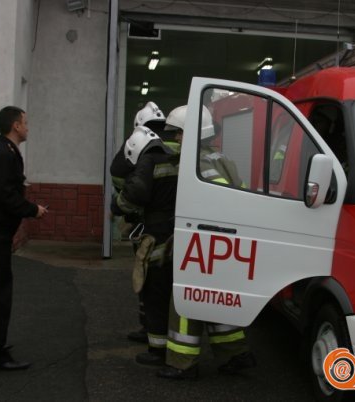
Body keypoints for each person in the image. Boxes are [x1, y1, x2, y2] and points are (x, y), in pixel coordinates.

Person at [156, 105, 256, 380]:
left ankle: (182, 363)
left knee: (185, 303)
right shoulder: (221, 157)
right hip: (222, 244)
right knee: (217, 301)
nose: (176, 140)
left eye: (179, 134)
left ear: (193, 134)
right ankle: (236, 355)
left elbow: (218, 199)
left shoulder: (199, 163)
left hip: (202, 242)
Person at [0, 106, 47, 370]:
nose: (28, 126)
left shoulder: (5, 152)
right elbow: (4, 195)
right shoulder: (3, 154)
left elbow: (4, 189)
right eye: (25, 122)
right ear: (15, 126)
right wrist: (32, 210)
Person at [110, 122, 180, 366]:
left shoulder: (150, 160)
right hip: (181, 235)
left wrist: (116, 205)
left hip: (157, 236)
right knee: (174, 295)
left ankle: (157, 350)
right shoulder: (184, 156)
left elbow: (135, 193)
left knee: (155, 293)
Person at [110, 101, 167, 344]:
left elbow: (123, 183)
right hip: (164, 225)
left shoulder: (140, 153)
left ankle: (151, 331)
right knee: (156, 283)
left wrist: (120, 205)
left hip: (147, 226)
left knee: (150, 282)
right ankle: (151, 329)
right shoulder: (171, 150)